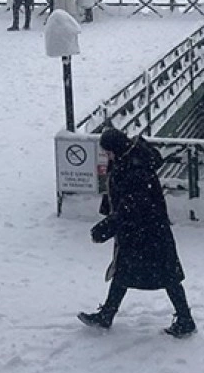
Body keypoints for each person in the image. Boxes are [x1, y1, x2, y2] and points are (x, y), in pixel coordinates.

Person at [78, 128, 196, 338]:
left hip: (147, 231)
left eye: (107, 152)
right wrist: (109, 210)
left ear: (115, 149)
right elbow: (121, 196)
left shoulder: (135, 168)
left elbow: (132, 205)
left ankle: (185, 319)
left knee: (164, 275)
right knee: (129, 272)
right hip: (145, 230)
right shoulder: (128, 159)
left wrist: (108, 226)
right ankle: (107, 314)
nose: (106, 156)